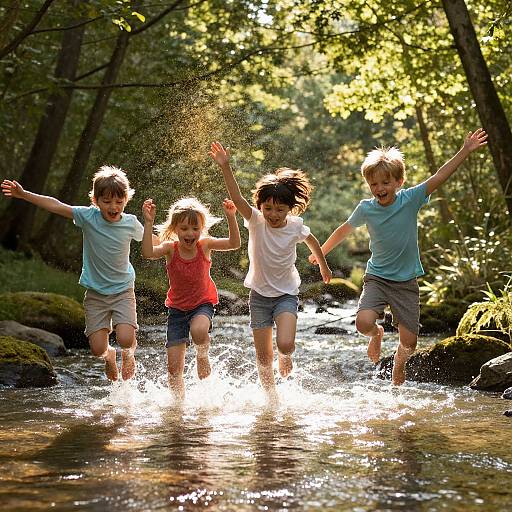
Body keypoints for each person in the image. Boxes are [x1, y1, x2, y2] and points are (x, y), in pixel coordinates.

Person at [310, 128, 488, 385]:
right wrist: (321, 252)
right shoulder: (366, 208)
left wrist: (465, 150)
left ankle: (399, 362)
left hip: (405, 281)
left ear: (398, 182)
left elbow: (439, 176)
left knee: (410, 342)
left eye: (385, 182)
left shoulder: (411, 199)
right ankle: (377, 334)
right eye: (373, 184)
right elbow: (343, 230)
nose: (379, 188)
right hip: (377, 277)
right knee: (362, 323)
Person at [209, 141, 332, 402]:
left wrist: (323, 264)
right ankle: (271, 399)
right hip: (259, 296)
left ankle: (285, 356)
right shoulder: (255, 220)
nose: (273, 214)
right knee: (263, 358)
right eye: (268, 208)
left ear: (290, 209)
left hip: (287, 293)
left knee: (285, 344)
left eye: (280, 209)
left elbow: (312, 241)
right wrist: (225, 166)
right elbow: (237, 197)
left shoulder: (296, 226)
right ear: (260, 206)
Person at [1, 166, 145, 382]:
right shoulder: (88, 217)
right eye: (106, 201)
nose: (113, 207)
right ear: (95, 201)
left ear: (126, 199)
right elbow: (56, 205)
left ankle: (128, 353)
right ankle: (110, 356)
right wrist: (24, 195)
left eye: (118, 201)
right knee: (97, 349)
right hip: (96, 294)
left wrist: (179, 245)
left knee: (125, 338)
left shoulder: (130, 222)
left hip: (123, 290)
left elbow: (153, 243)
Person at [141, 196, 240, 401]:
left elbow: (234, 243)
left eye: (195, 229)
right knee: (174, 369)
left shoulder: (205, 246)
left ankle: (202, 354)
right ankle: (178, 407)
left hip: (202, 304)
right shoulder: (170, 248)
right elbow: (148, 253)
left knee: (199, 330)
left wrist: (231, 217)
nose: (190, 233)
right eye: (184, 228)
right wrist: (148, 222)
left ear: (202, 229)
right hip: (177, 310)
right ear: (175, 228)